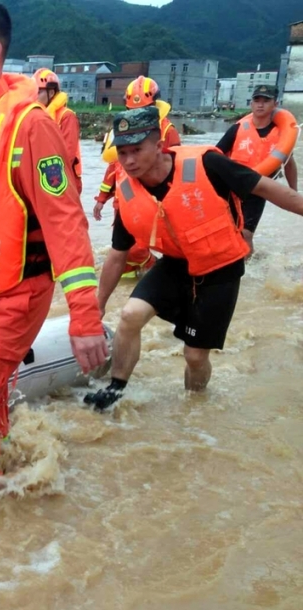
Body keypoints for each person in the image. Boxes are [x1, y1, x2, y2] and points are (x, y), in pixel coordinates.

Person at [0, 1, 108, 480]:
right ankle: (3, 449)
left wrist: (85, 316)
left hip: (17, 292)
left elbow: (66, 223)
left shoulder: (30, 126)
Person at [85, 107, 303, 412]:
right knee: (130, 314)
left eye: (137, 150)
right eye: (122, 152)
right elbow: (118, 255)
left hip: (221, 268)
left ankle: (195, 408)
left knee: (195, 356)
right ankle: (116, 387)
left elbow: (268, 189)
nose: (129, 160)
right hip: (176, 264)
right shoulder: (128, 191)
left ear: (159, 145)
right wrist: (98, 304)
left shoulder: (206, 163)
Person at [93, 75, 181, 286]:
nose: (138, 115)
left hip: (153, 197)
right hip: (124, 197)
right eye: (134, 110)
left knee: (137, 247)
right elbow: (113, 165)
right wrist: (102, 198)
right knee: (124, 254)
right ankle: (131, 286)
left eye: (144, 109)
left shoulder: (167, 131)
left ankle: (151, 269)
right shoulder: (122, 129)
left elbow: (177, 165)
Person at [216, 84, 298, 251]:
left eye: (266, 101)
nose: (260, 104)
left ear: (275, 104)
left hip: (259, 188)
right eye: (257, 100)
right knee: (228, 231)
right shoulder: (237, 129)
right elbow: (215, 156)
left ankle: (247, 269)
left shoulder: (281, 133)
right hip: (233, 187)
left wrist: (293, 191)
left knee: (246, 234)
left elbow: (289, 163)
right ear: (251, 104)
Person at [34, 68, 83, 194]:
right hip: (46, 177)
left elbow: (68, 154)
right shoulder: (38, 116)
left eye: (39, 92)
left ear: (51, 92)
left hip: (66, 180)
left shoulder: (67, 116)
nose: (35, 97)